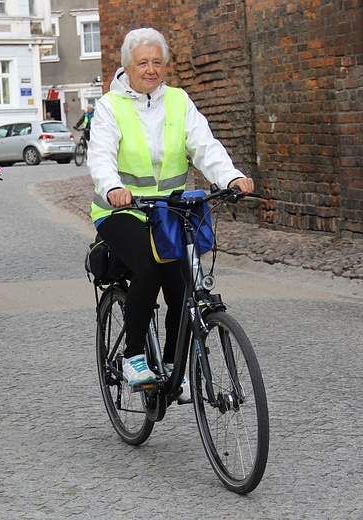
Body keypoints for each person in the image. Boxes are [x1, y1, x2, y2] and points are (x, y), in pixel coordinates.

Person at [87, 28, 254, 398]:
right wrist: (112, 187)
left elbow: (204, 145)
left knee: (183, 286)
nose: (150, 69)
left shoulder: (178, 101)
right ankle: (133, 357)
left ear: (165, 66)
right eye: (142, 62)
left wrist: (232, 177)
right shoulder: (110, 106)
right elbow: (100, 155)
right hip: (123, 211)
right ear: (127, 67)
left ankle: (168, 366)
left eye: (157, 62)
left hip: (173, 209)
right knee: (148, 265)